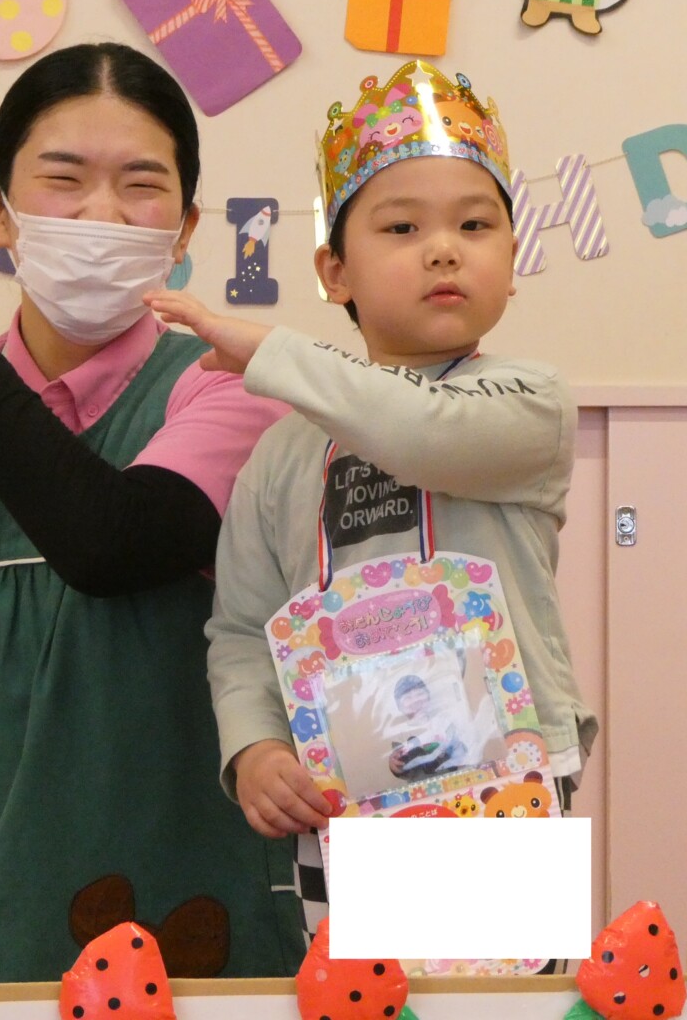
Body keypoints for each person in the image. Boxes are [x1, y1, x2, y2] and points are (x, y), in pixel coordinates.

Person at [0, 42, 304, 983]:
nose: (101, 214)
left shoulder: (233, 393)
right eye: (64, 179)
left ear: (185, 228)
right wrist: (15, 785)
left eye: (141, 185)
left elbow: (108, 542)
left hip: (199, 926)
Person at [144, 59, 599, 937]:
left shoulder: (531, 403)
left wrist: (272, 352)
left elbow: (421, 429)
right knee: (361, 991)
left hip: (506, 768)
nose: (444, 248)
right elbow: (240, 627)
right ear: (335, 271)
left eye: (476, 224)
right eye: (401, 226)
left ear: (513, 260)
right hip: (343, 784)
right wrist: (255, 745)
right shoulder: (282, 453)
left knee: (501, 992)